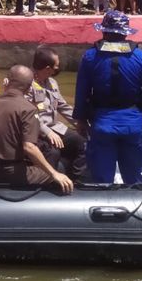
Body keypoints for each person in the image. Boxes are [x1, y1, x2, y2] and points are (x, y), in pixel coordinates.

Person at [73, 10, 142, 184]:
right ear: (125, 33)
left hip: (102, 125)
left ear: (104, 32)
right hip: (133, 126)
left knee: (102, 180)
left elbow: (82, 92)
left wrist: (80, 119)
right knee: (133, 179)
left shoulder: (90, 57)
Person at [0, 65, 74, 193]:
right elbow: (29, 147)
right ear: (29, 88)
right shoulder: (28, 109)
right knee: (59, 169)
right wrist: (54, 174)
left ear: (6, 81)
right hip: (9, 172)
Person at [27, 46, 86, 182]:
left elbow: (63, 106)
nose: (58, 69)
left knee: (82, 142)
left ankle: (77, 181)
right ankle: (47, 183)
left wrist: (80, 122)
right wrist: (48, 132)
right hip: (37, 131)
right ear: (48, 68)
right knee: (53, 152)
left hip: (55, 128)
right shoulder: (27, 84)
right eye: (56, 67)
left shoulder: (52, 83)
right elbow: (30, 116)